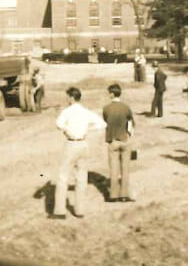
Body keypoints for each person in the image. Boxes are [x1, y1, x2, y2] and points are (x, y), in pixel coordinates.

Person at [53, 87, 107, 218]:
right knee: (81, 178)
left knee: (63, 176)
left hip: (71, 143)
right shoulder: (86, 112)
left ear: (71, 98)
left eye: (67, 97)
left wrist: (67, 130)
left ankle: (60, 211)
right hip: (83, 143)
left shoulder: (67, 111)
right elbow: (102, 124)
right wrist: (87, 130)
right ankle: (79, 210)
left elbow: (58, 124)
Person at [101, 84, 135, 203]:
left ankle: (113, 195)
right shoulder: (126, 107)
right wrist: (129, 135)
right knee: (125, 168)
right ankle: (124, 194)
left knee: (114, 169)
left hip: (113, 139)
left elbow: (105, 120)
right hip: (125, 139)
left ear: (111, 94)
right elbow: (131, 122)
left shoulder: (106, 108)